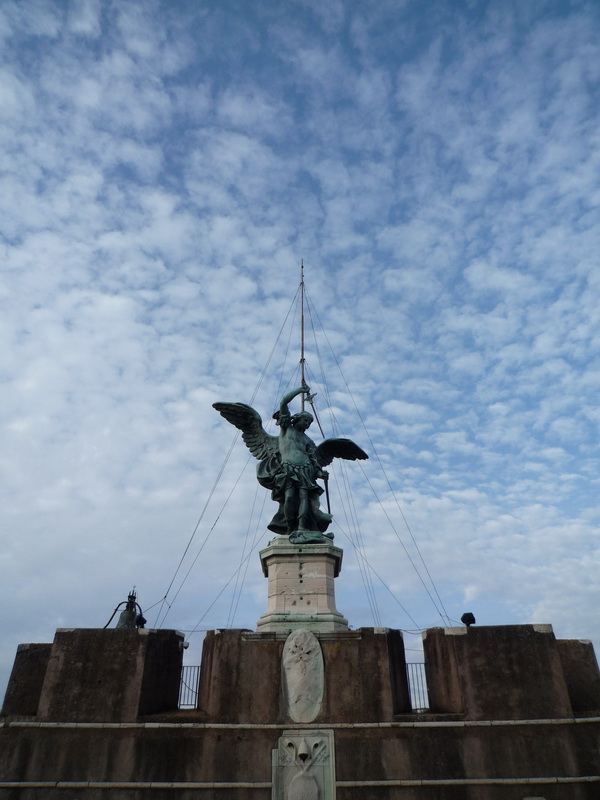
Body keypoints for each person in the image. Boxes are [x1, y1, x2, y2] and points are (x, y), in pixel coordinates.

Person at [257, 385, 332, 536]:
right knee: (289, 497)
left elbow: (313, 459)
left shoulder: (308, 440)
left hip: (305, 470)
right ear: (297, 419)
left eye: (310, 423)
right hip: (288, 469)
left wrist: (319, 472)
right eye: (305, 420)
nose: (307, 424)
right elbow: (283, 403)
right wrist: (300, 390)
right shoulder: (287, 429)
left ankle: (303, 527)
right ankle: (290, 527)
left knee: (304, 497)